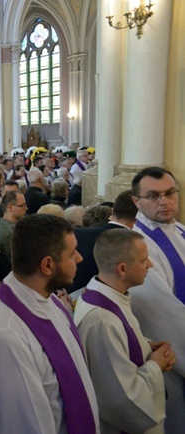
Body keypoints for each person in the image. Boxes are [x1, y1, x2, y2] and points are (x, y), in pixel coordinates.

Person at [0, 214, 98, 434]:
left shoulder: (49, 300)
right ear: (47, 265)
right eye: (71, 253)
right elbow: (22, 425)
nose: (79, 259)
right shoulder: (5, 335)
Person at [74, 229, 175, 434]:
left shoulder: (108, 294)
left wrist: (144, 345)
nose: (150, 265)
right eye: (143, 260)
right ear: (122, 269)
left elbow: (117, 346)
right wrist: (156, 364)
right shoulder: (101, 320)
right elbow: (120, 399)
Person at [129, 167, 185, 432]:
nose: (164, 201)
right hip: (172, 358)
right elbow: (163, 312)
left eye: (170, 193)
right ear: (136, 201)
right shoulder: (137, 245)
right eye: (153, 196)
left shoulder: (180, 230)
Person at [0, 191, 27, 282]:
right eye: (22, 206)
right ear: (10, 207)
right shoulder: (9, 233)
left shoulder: (12, 227)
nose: (26, 208)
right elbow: (18, 263)